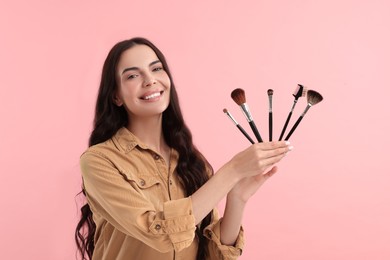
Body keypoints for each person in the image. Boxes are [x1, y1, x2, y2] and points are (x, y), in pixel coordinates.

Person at [75, 37, 292, 260]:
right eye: (132, 75)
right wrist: (233, 170)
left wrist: (237, 197)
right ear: (116, 96)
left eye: (156, 69)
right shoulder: (99, 161)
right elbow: (159, 233)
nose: (150, 80)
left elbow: (212, 255)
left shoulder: (190, 160)